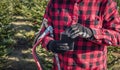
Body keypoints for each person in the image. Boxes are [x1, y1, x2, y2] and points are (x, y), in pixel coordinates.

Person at [38, 0, 120, 70]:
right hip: (61, 66)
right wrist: (50, 44)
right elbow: (43, 33)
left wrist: (91, 33)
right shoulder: (55, 3)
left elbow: (117, 35)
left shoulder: (105, 3)